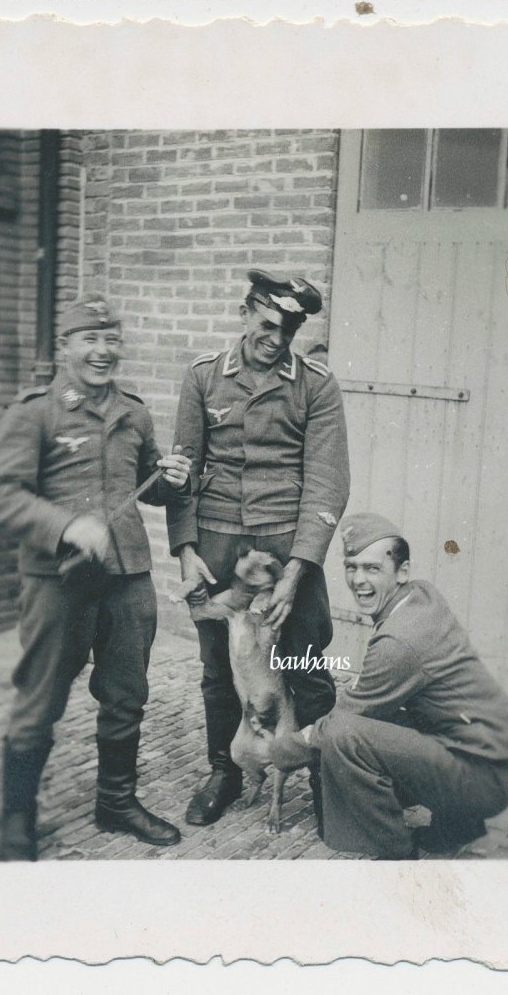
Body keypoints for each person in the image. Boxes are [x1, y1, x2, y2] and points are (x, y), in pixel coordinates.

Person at [0, 293, 193, 860]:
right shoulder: (34, 412)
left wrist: (172, 479)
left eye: (111, 340)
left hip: (127, 578)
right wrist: (66, 525)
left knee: (127, 696)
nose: (103, 351)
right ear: (66, 346)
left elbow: (150, 484)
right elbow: (1, 498)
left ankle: (116, 802)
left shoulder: (134, 411)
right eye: (90, 339)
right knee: (40, 699)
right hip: (58, 581)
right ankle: (17, 821)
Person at [167, 270, 350, 828]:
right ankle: (224, 771)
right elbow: (183, 470)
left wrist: (298, 571)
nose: (276, 338)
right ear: (245, 312)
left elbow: (328, 482)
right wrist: (186, 548)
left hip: (288, 543)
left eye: (288, 330)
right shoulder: (203, 376)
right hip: (219, 542)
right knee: (220, 669)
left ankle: (326, 779)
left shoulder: (316, 385)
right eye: (267, 324)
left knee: (305, 664)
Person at [261, 512, 508, 860]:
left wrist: (280, 749)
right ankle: (456, 827)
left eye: (372, 568)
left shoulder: (399, 641)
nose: (359, 580)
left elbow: (341, 723)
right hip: (493, 758)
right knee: (384, 720)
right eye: (351, 567)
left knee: (343, 735)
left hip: (484, 779)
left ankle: (396, 854)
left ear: (402, 571)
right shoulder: (420, 596)